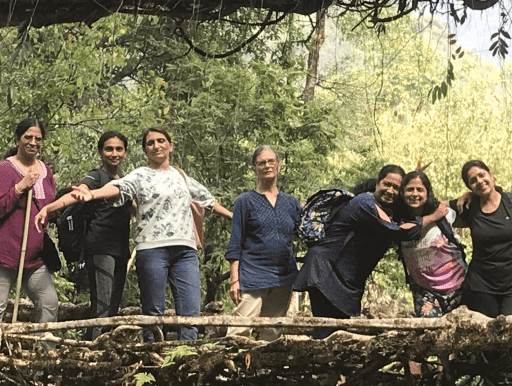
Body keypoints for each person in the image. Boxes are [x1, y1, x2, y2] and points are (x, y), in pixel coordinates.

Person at [65, 126, 231, 342]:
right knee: (153, 313)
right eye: (150, 143)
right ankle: (152, 356)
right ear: (145, 151)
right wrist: (92, 193)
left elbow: (207, 200)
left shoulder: (180, 175)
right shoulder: (140, 175)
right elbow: (118, 187)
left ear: (170, 146)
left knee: (190, 312)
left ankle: (187, 357)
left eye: (161, 141)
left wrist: (234, 217)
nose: (156, 146)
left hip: (185, 250)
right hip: (152, 249)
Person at [292, 164, 442, 337]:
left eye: (396, 188)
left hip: (342, 280)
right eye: (387, 184)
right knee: (328, 331)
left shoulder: (388, 210)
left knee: (337, 331)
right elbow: (398, 231)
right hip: (326, 273)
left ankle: (327, 362)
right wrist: (433, 216)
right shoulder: (365, 203)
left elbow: (404, 217)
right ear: (377, 183)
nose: (390, 191)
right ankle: (319, 362)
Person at [0, 117, 60, 325]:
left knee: (49, 303)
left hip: (34, 257)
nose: (33, 143)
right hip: (3, 253)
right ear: (18, 139)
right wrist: (20, 187)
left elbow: (49, 210)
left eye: (38, 139)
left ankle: (45, 350)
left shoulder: (46, 172)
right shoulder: (4, 169)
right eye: (28, 137)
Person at [44, 131, 135, 340]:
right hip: (100, 248)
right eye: (109, 149)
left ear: (125, 153)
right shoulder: (97, 175)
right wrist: (50, 208)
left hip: (121, 249)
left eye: (119, 149)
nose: (114, 153)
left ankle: (102, 347)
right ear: (101, 153)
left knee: (113, 305)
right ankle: (93, 350)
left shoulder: (126, 181)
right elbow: (80, 190)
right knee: (102, 304)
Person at [226, 145, 302, 341]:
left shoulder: (291, 203)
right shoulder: (245, 201)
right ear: (254, 168)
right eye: (262, 163)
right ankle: (229, 368)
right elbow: (235, 243)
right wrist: (235, 280)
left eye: (271, 161)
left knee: (272, 332)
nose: (267, 166)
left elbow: (304, 234)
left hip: (283, 276)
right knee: (239, 328)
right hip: (253, 274)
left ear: (279, 165)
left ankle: (264, 371)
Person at [451, 160, 512, 318]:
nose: (479, 181)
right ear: (469, 188)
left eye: (482, 175)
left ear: (491, 176)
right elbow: (435, 207)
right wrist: (416, 178)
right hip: (480, 287)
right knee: (482, 338)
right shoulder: (469, 206)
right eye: (473, 181)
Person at [395, 169, 467, 318]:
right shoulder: (396, 222)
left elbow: (475, 212)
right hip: (425, 294)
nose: (415, 194)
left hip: (460, 288)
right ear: (402, 193)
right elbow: (404, 231)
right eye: (409, 189)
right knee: (429, 333)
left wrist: (469, 194)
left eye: (420, 190)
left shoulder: (444, 215)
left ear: (428, 193)